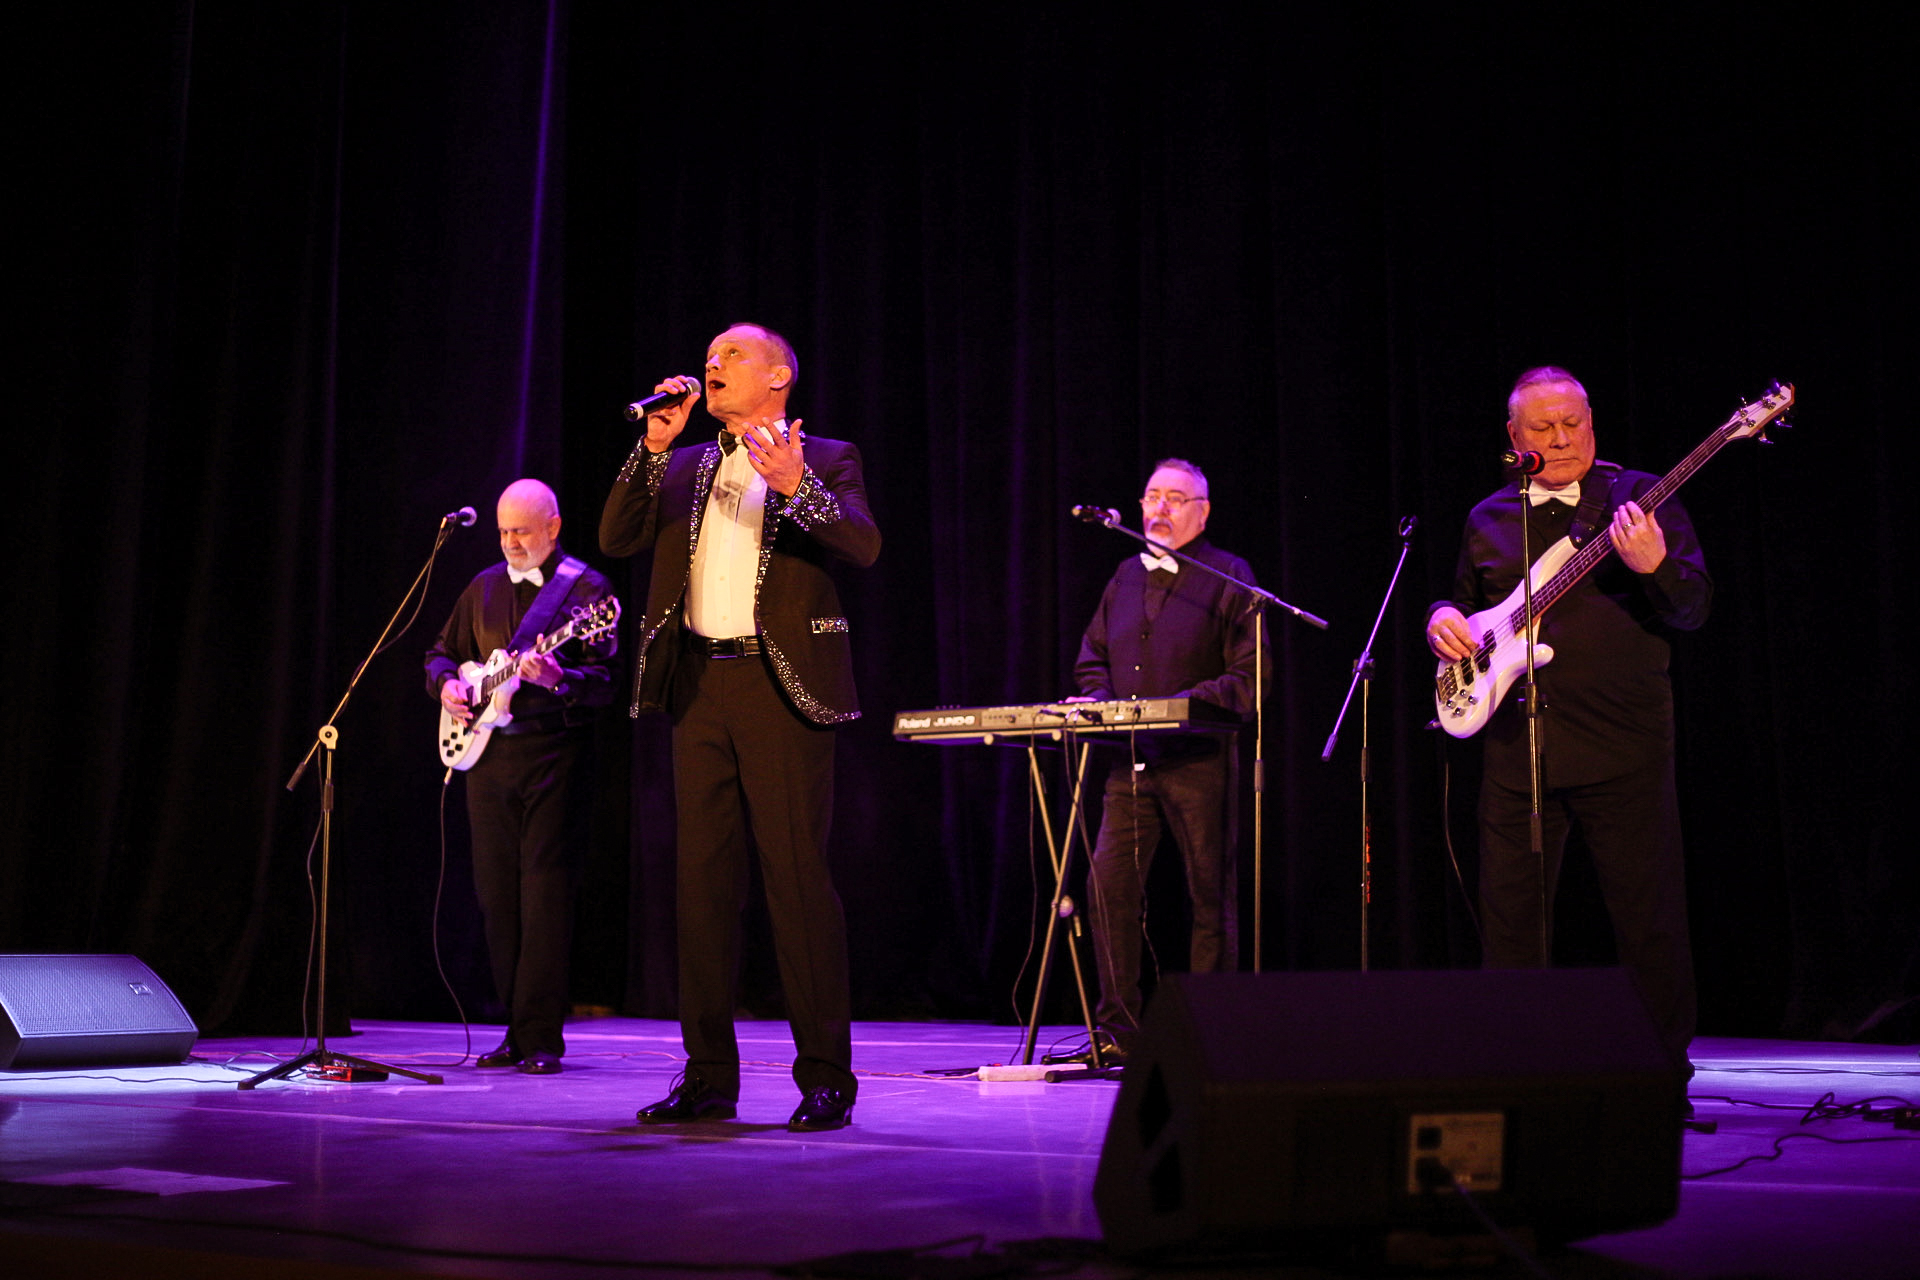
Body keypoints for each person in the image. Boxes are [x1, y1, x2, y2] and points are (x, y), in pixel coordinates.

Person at [600, 322, 879, 1131]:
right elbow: (616, 537)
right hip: (697, 686)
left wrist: (798, 485)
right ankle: (707, 1078)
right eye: (709, 354)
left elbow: (862, 545)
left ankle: (825, 1077)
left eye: (732, 356)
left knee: (796, 882)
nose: (711, 363)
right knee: (703, 888)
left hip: (779, 686)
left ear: (779, 376)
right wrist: (652, 448)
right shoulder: (684, 463)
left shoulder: (828, 457)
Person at [1426, 366, 1710, 1068]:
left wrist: (1656, 565)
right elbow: (1463, 603)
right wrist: (1441, 619)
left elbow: (1693, 609)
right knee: (1511, 924)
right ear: (1514, 436)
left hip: (1624, 744)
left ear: (1592, 424)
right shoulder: (1488, 517)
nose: (1559, 439)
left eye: (1572, 423)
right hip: (1518, 747)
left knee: (1647, 919)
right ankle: (1515, 1068)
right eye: (1542, 427)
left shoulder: (1640, 496)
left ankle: (1661, 1073)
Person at [1070, 458, 1266, 1064]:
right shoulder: (1124, 576)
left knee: (1209, 896)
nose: (1159, 508)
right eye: (1152, 495)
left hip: (1199, 762)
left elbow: (1249, 678)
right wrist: (1099, 701)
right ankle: (1118, 1032)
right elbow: (1092, 658)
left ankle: (1210, 1032)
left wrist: (1178, 707)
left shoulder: (1230, 575)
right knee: (1108, 890)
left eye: (1175, 499)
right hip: (1129, 762)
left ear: (1201, 513)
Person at [425, 479, 616, 1075]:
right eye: (504, 531)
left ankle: (540, 1037)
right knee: (497, 898)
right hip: (488, 761)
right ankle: (515, 1027)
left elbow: (607, 682)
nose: (511, 542)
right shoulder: (481, 587)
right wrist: (447, 685)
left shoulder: (587, 591)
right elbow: (439, 653)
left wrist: (558, 678)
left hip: (554, 756)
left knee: (544, 897)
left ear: (553, 528)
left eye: (523, 531)